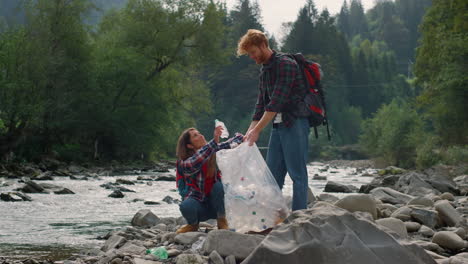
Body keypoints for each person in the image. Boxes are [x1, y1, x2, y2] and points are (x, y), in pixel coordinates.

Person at [238, 29, 310, 211]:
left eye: (253, 52)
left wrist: (257, 131)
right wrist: (248, 134)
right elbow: (261, 105)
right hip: (278, 126)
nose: (252, 57)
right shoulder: (265, 70)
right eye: (249, 54)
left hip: (295, 122)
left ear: (263, 45)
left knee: (297, 174)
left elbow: (275, 103)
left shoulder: (286, 65)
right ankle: (269, 218)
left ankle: (299, 216)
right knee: (271, 175)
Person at [175, 126, 243, 233]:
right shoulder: (184, 162)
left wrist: (241, 136)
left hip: (215, 203)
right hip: (198, 203)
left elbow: (230, 144)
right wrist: (214, 141)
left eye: (199, 133)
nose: (201, 135)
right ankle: (193, 224)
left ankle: (221, 220)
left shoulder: (212, 149)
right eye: (195, 135)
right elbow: (197, 159)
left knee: (218, 186)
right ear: (189, 145)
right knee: (185, 206)